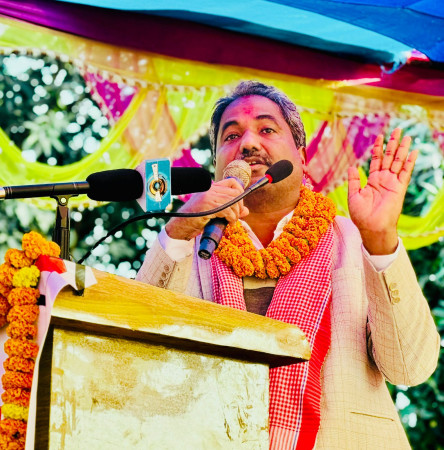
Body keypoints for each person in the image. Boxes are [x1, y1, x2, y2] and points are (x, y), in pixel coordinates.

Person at [136, 81, 439, 449]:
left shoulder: (356, 241)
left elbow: (410, 366)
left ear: (301, 155)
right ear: (217, 165)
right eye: (231, 136)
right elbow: (137, 353)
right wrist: (178, 229)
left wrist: (380, 239)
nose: (248, 144)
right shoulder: (187, 243)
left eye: (266, 129)